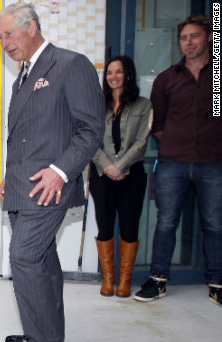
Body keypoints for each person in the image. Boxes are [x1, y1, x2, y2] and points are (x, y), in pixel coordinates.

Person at [0, 3, 104, 342]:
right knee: (42, 260)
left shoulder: (71, 64)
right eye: (0, 37)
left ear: (32, 27)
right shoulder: (22, 76)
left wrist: (60, 171)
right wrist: (8, 178)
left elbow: (91, 129)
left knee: (24, 257)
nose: (5, 43)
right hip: (21, 185)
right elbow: (22, 135)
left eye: (9, 34)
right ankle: (45, 334)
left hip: (49, 185)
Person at [134, 14, 221, 306]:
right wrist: (174, 142)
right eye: (184, 37)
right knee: (166, 222)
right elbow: (157, 122)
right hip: (174, 161)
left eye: (194, 36)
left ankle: (217, 283)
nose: (188, 42)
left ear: (210, 37)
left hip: (213, 161)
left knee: (215, 224)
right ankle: (158, 280)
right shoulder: (166, 79)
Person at [90, 56, 151, 298]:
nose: (113, 76)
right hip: (101, 175)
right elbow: (91, 138)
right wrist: (107, 166)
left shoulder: (143, 105)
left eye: (118, 72)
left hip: (132, 175)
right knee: (104, 227)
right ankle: (108, 280)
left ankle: (124, 281)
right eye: (109, 73)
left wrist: (120, 166)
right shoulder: (98, 105)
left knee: (129, 227)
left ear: (128, 75)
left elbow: (142, 142)